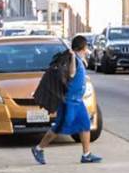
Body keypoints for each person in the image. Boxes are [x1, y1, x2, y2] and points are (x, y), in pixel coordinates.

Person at [31, 35, 102, 165]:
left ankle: (86, 155)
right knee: (59, 127)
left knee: (85, 125)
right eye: (86, 48)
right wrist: (74, 58)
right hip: (68, 102)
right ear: (83, 47)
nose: (87, 50)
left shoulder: (79, 59)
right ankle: (38, 149)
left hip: (78, 101)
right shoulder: (72, 58)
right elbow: (72, 74)